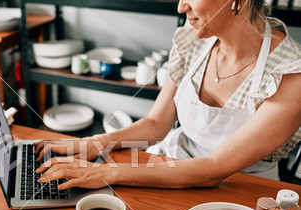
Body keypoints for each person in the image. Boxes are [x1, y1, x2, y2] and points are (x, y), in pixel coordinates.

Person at [34, 0, 301, 189]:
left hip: (242, 189)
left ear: (237, 1)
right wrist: (93, 143)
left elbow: (213, 169)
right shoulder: (192, 41)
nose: (181, 7)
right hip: (170, 165)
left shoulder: (290, 74)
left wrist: (104, 171)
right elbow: (155, 124)